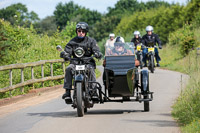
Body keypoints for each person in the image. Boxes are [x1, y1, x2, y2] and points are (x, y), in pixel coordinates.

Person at [61, 22, 102, 102]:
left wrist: (97, 53)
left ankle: (93, 91)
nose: (81, 33)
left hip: (87, 62)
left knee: (91, 69)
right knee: (68, 69)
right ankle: (67, 92)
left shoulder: (91, 41)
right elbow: (67, 51)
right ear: (76, 31)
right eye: (79, 31)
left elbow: (95, 49)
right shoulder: (72, 42)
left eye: (83, 31)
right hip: (75, 62)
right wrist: (65, 54)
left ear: (86, 32)